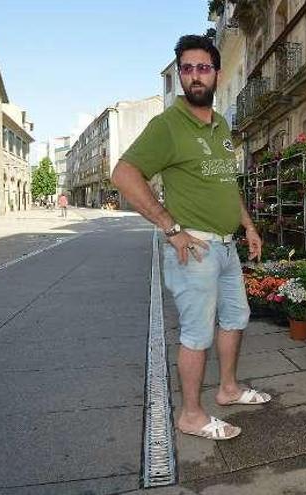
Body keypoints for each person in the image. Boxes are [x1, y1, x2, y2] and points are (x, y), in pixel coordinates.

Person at [111, 34, 269, 441]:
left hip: (227, 245)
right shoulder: (167, 125)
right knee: (196, 334)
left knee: (236, 318)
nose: (195, 76)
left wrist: (248, 226)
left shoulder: (220, 127)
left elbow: (226, 185)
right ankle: (191, 415)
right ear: (181, 75)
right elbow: (124, 174)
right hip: (195, 249)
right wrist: (170, 227)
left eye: (203, 68)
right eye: (187, 69)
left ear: (216, 73)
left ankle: (229, 388)